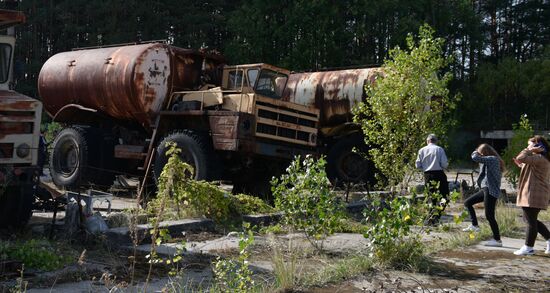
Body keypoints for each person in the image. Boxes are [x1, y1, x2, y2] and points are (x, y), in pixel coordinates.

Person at [512, 135, 550, 256]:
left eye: (529, 145)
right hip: (535, 193)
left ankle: (528, 247)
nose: (527, 147)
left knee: (530, 221)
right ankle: (549, 239)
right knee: (530, 219)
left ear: (538, 146)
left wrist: (529, 150)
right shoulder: (539, 158)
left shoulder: (539, 157)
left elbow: (521, 156)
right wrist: (521, 165)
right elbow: (525, 162)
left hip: (534, 193)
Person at [462, 144, 504, 247]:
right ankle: (474, 225)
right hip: (485, 189)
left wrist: (475, 152)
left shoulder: (493, 159)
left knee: (489, 216)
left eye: (479, 151)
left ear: (484, 152)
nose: (478, 152)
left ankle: (497, 240)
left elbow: (475, 157)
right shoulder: (487, 160)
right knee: (467, 203)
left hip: (490, 190)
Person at [416, 134, 449, 224]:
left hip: (427, 175)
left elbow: (417, 165)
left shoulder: (421, 150)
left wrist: (425, 167)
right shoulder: (439, 149)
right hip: (439, 173)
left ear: (427, 141)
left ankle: (431, 217)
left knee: (431, 197)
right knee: (445, 196)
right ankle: (436, 216)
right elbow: (444, 164)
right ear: (436, 141)